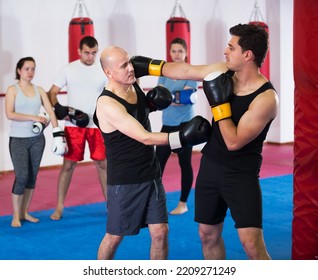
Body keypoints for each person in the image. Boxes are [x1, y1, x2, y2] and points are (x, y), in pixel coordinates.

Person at [131, 23, 279, 260]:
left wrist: (218, 105)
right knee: (207, 235)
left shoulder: (266, 98)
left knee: (251, 244)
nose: (225, 51)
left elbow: (233, 141)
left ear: (247, 55)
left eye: (231, 47)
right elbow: (182, 71)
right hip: (210, 166)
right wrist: (146, 66)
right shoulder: (224, 71)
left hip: (241, 174)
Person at [94, 46, 211, 260]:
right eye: (124, 66)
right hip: (125, 180)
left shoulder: (132, 84)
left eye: (129, 62)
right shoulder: (107, 104)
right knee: (114, 236)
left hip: (150, 172)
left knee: (160, 232)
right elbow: (144, 136)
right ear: (109, 73)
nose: (131, 68)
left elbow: (172, 72)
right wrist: (182, 137)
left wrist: (150, 104)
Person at [47, 36, 108, 220]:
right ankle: (59, 207)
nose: (90, 57)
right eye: (87, 53)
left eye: (94, 53)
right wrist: (60, 110)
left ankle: (110, 206)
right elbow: (52, 92)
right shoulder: (68, 69)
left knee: (103, 165)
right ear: (79, 51)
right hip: (74, 126)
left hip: (97, 125)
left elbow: (113, 92)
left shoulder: (103, 70)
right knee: (68, 165)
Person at [5, 57, 67, 228]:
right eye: (27, 69)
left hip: (37, 139)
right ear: (19, 71)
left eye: (33, 69)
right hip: (18, 139)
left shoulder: (39, 90)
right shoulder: (12, 90)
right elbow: (10, 114)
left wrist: (57, 133)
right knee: (22, 175)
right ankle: (16, 215)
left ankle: (25, 212)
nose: (30, 72)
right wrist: (34, 117)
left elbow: (50, 111)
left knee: (32, 176)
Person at [156, 37, 198, 215]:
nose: (176, 54)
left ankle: (183, 203)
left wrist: (167, 98)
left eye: (180, 51)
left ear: (186, 53)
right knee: (157, 164)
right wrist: (173, 98)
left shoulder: (191, 72)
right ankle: (155, 201)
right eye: (174, 51)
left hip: (184, 125)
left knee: (184, 162)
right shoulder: (164, 72)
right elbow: (159, 98)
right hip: (167, 124)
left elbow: (185, 100)